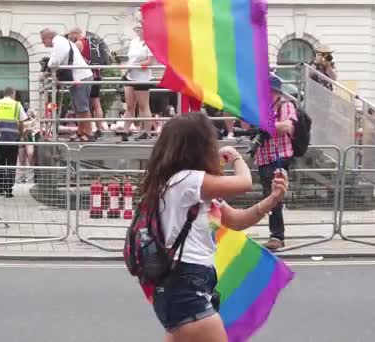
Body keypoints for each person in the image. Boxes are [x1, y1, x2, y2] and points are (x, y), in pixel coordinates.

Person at [141, 112, 288, 341]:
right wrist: (237, 157)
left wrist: (272, 199)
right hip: (186, 286)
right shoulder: (187, 181)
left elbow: (237, 221)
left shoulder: (192, 188)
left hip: (186, 286)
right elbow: (245, 183)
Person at [255, 74, 297, 251]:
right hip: (264, 157)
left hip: (279, 156)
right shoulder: (262, 106)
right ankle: (275, 234)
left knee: (275, 196)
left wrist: (265, 124)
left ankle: (277, 236)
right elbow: (246, 125)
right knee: (269, 195)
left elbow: (287, 127)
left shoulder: (285, 105)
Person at [41, 28, 94, 142]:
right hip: (78, 77)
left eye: (43, 40)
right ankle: (80, 132)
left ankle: (89, 133)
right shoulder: (61, 41)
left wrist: (48, 67)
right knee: (78, 107)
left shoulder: (59, 42)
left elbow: (56, 60)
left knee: (83, 107)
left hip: (81, 77)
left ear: (48, 37)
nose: (43, 43)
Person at [69, 27, 108, 137]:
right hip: (97, 75)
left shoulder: (78, 44)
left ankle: (87, 131)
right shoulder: (90, 42)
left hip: (86, 76)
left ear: (75, 33)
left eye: (71, 35)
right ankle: (99, 129)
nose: (70, 37)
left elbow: (72, 60)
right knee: (96, 103)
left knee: (85, 105)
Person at [121, 24, 157, 142]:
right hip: (130, 75)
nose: (136, 30)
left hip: (142, 77)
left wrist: (137, 65)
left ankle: (147, 132)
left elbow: (150, 61)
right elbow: (130, 58)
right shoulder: (134, 41)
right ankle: (125, 132)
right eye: (135, 28)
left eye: (139, 28)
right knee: (130, 105)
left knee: (143, 105)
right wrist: (127, 66)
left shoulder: (150, 42)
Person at [0, 87, 27, 198]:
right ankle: (8, 190)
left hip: (0, 139)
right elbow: (21, 122)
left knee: (1, 163)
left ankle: (1, 188)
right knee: (11, 164)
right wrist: (21, 134)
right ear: (13, 94)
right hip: (13, 139)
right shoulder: (17, 105)